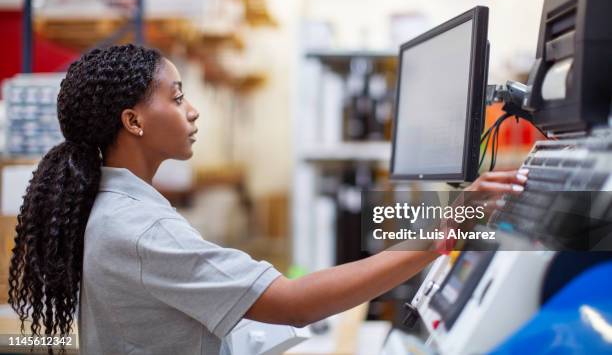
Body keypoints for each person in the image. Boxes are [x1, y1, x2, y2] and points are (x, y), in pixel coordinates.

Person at [8, 44, 528, 355]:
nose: (191, 112)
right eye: (178, 96)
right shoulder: (138, 229)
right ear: (134, 121)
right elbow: (292, 302)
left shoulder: (123, 210)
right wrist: (446, 230)